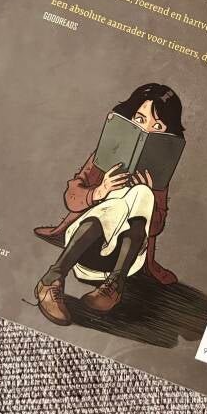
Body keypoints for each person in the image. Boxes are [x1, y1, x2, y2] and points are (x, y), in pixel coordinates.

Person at [33, 84, 185, 325]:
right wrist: (101, 191)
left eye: (157, 127)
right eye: (140, 119)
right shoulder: (105, 155)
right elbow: (72, 197)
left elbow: (155, 227)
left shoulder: (158, 175)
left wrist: (151, 194)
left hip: (122, 261)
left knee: (142, 193)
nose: (146, 129)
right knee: (118, 205)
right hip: (84, 249)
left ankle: (112, 285)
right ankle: (54, 278)